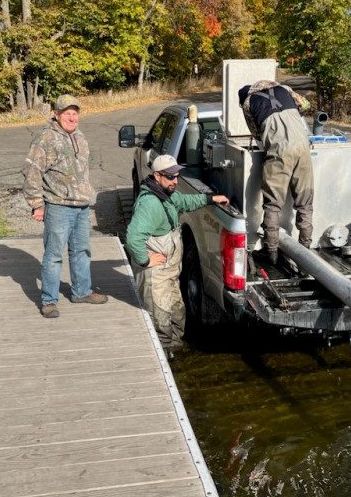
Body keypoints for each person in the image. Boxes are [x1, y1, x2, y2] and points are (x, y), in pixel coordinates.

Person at [125, 154, 229, 351]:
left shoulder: (169, 196)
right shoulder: (150, 203)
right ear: (157, 176)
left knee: (178, 314)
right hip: (156, 278)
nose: (176, 180)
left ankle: (175, 350)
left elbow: (187, 202)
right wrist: (145, 260)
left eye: (177, 175)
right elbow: (132, 237)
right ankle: (165, 358)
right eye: (170, 176)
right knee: (161, 323)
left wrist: (211, 198)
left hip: (171, 273)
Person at [23, 94, 109, 318]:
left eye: (74, 113)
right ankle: (49, 301)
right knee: (54, 255)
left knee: (82, 251)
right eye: (67, 113)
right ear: (56, 114)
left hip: (81, 205)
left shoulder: (80, 136)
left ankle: (81, 291)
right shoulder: (45, 138)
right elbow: (32, 172)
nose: (72, 117)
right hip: (58, 205)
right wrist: (37, 204)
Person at [238, 80, 314, 264]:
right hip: (304, 147)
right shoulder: (285, 88)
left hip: (280, 151)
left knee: (273, 204)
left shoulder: (248, 103)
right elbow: (306, 105)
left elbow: (257, 134)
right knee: (305, 203)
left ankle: (270, 252)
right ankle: (306, 250)